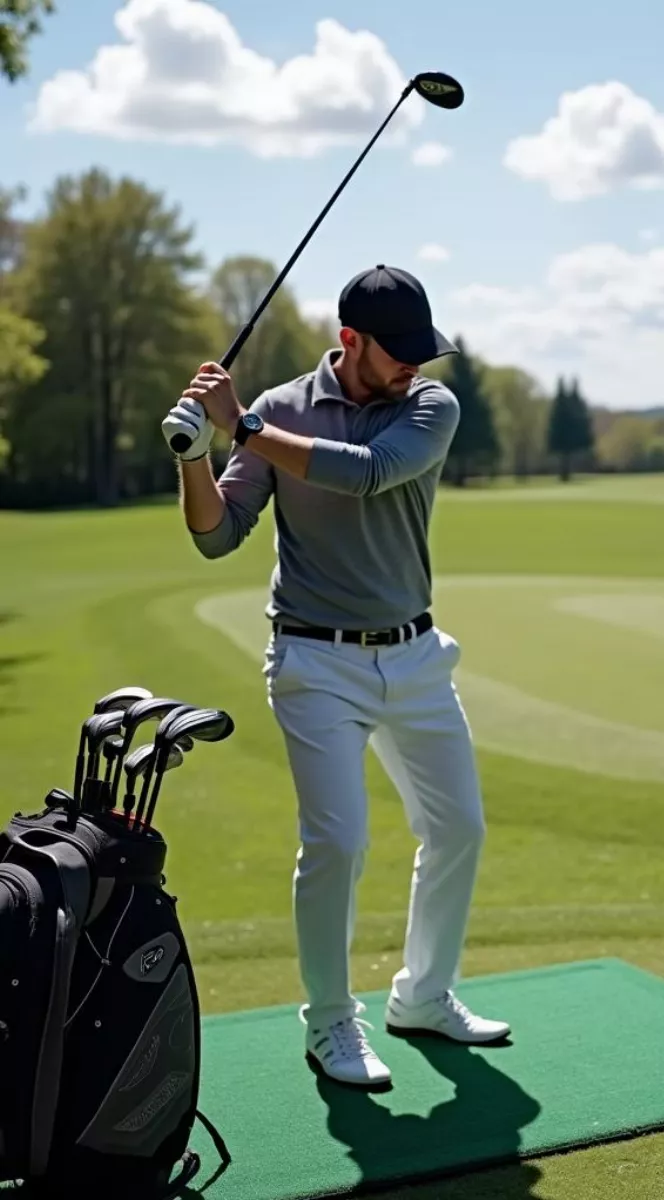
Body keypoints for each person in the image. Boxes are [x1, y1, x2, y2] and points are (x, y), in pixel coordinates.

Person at [160, 264, 510, 1090]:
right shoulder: (279, 409)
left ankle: (423, 997)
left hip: (417, 657)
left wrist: (237, 425)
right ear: (350, 341)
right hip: (315, 661)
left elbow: (363, 471)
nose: (414, 366)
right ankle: (328, 1023)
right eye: (399, 353)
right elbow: (217, 534)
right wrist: (193, 453)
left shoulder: (430, 406)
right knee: (338, 841)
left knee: (458, 827)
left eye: (424, 351)